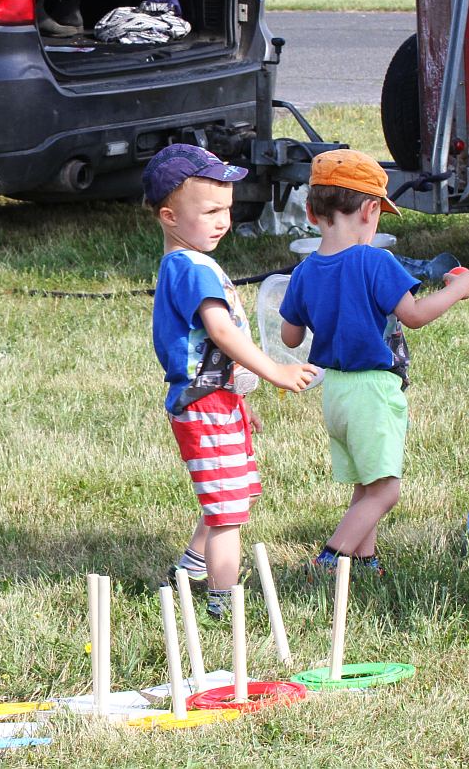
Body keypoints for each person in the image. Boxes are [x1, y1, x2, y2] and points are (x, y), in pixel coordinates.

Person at [278, 149, 469, 575]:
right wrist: (459, 289)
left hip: (334, 393)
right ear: (371, 210)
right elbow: (415, 315)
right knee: (386, 491)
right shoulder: (375, 261)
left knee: (366, 484)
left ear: (313, 214)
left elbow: (290, 336)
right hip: (372, 390)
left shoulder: (304, 272)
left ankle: (365, 560)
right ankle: (330, 559)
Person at [146, 144, 319, 618]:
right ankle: (224, 607)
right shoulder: (188, 268)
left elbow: (212, 347)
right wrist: (275, 370)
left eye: (226, 209)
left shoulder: (191, 262)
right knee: (228, 516)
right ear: (170, 217)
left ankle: (190, 569)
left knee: (230, 493)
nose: (222, 220)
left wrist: (240, 399)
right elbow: (220, 331)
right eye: (209, 211)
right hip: (204, 406)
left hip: (215, 401)